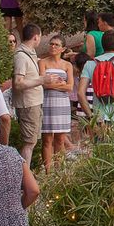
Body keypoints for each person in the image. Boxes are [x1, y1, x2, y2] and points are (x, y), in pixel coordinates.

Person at [11, 24, 47, 168]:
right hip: (28, 103)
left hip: (34, 102)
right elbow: (18, 83)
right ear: (36, 37)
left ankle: (25, 174)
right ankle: (23, 176)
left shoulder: (30, 53)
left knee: (32, 141)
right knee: (29, 142)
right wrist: (42, 80)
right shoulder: (21, 56)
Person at [39, 35, 75, 169]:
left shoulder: (67, 65)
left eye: (56, 45)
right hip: (47, 101)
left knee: (60, 139)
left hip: (62, 103)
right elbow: (44, 84)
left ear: (63, 49)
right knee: (47, 139)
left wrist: (53, 84)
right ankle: (48, 172)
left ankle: (59, 170)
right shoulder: (43, 62)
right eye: (51, 44)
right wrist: (61, 84)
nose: (53, 47)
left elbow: (70, 87)